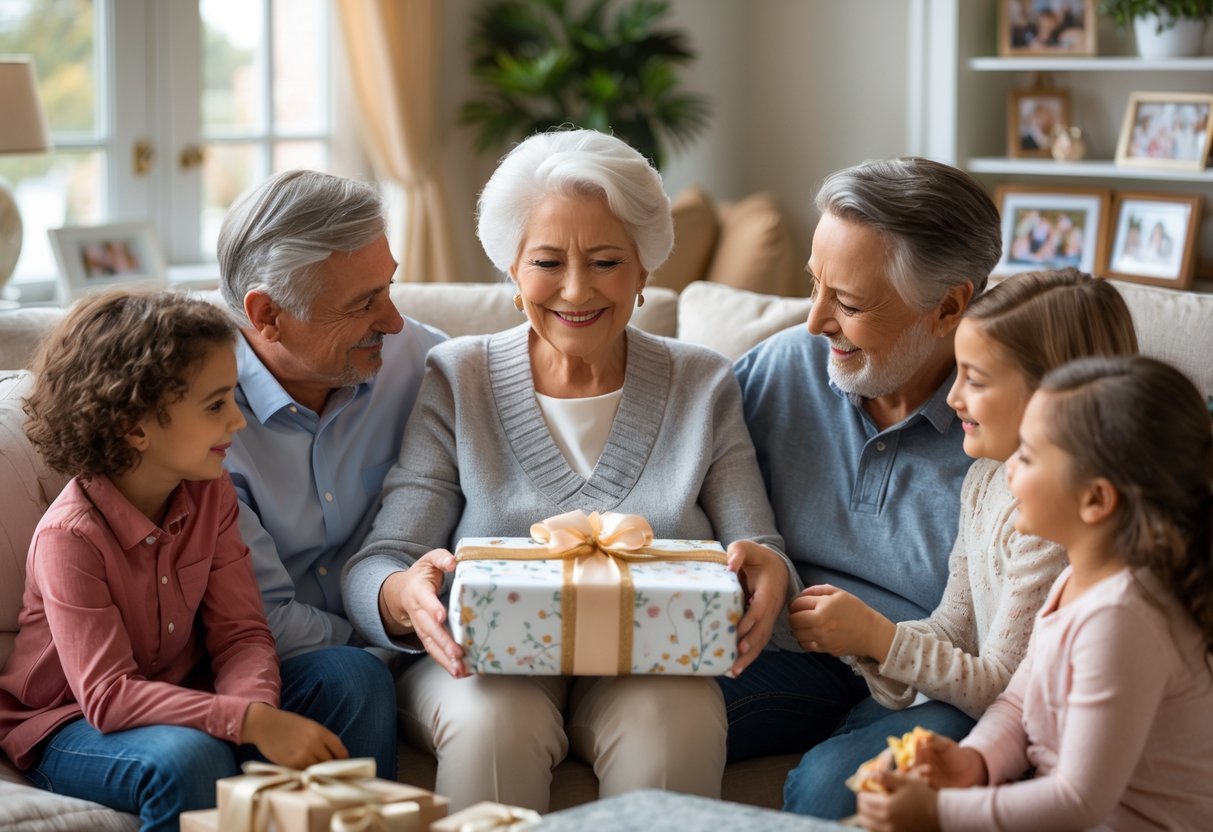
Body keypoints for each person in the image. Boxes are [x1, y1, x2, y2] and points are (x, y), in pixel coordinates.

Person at [342, 128, 796, 812]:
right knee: (494, 721)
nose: (576, 290)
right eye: (547, 261)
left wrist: (767, 572)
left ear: (645, 268)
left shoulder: (702, 381)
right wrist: (403, 594)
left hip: (651, 659)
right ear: (513, 272)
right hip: (484, 664)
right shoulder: (458, 375)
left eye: (607, 261)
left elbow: (759, 547)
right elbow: (380, 561)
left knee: (674, 721)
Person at [782, 268, 1139, 819]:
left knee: (831, 784)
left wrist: (878, 636)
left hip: (1002, 723)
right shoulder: (985, 480)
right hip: (980, 711)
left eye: (974, 379)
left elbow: (1000, 685)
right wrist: (860, 639)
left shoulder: (1060, 526)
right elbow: (955, 625)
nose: (950, 398)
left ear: (1055, 395)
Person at [0, 290, 350, 830]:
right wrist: (248, 723)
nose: (238, 420)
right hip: (69, 724)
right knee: (189, 757)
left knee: (352, 675)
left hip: (188, 696)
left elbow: (242, 635)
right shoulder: (69, 538)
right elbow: (109, 697)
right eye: (215, 405)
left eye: (233, 397)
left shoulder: (211, 495)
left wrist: (256, 715)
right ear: (135, 427)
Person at [719, 157, 1002, 764]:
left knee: (836, 787)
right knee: (651, 713)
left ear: (950, 308)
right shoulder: (780, 368)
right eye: (812, 284)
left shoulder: (1006, 421)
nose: (816, 321)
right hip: (785, 654)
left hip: (930, 679)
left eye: (847, 302)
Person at [857, 355, 1213, 831]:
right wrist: (974, 763)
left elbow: (1076, 800)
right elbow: (1018, 703)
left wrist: (938, 812)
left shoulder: (1123, 620)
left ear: (1095, 500)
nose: (1008, 472)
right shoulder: (1078, 578)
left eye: (1026, 455)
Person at [216, 169, 447, 778]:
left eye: (388, 287)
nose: (393, 320)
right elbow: (259, 619)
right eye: (362, 303)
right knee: (352, 677)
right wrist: (390, 628)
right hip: (276, 665)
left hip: (415, 638)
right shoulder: (198, 412)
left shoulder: (425, 366)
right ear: (266, 314)